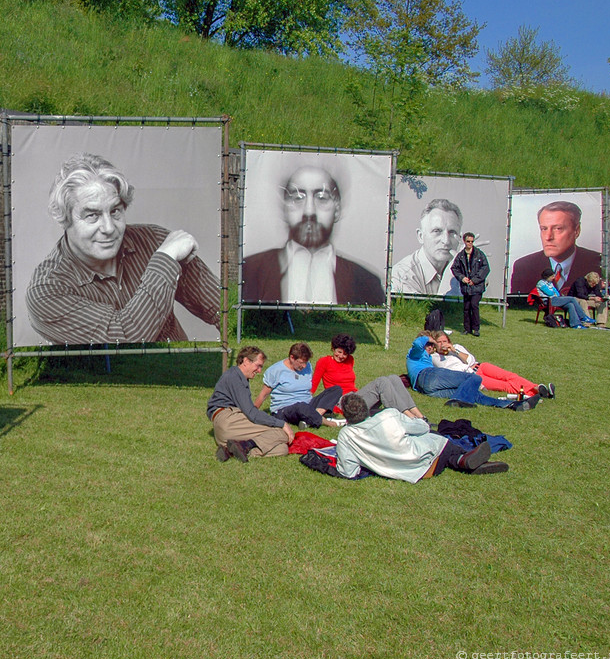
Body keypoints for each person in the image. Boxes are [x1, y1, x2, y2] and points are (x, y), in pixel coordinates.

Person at [25, 153, 221, 344]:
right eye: (92, 215)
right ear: (64, 220)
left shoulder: (155, 241)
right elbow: (126, 339)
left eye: (115, 211)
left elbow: (223, 308)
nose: (109, 228)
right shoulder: (46, 291)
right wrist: (165, 260)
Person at [241, 165, 385, 305]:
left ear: (337, 209)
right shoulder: (251, 271)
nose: (309, 211)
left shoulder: (366, 282)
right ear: (284, 208)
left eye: (321, 198)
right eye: (298, 197)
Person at [334, 393, 508, 482]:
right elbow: (421, 428)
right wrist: (422, 423)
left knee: (434, 442)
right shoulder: (389, 416)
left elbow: (348, 472)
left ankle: (467, 462)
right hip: (425, 459)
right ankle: (462, 459)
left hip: (399, 471)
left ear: (346, 414)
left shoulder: (346, 436)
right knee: (437, 438)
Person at [206, 346, 295, 463]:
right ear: (246, 361)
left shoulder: (237, 377)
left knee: (282, 449)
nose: (259, 371)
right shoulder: (234, 377)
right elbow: (252, 413)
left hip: (225, 432)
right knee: (281, 433)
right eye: (258, 366)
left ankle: (232, 450)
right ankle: (246, 444)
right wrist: (282, 424)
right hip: (228, 420)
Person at [310, 333, 427, 420]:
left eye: (345, 354)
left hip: (355, 396)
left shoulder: (350, 360)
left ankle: (419, 415)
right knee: (382, 382)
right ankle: (409, 417)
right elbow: (314, 383)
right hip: (342, 402)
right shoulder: (324, 361)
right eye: (339, 352)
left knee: (394, 378)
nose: (341, 356)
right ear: (333, 348)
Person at [406, 335, 535, 411]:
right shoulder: (416, 354)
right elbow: (417, 344)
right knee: (475, 379)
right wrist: (429, 338)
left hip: (427, 389)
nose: (430, 347)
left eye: (431, 345)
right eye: (429, 345)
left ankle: (509, 405)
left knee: (474, 393)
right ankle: (459, 399)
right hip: (427, 376)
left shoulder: (428, 356)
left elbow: (470, 359)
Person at [427, 330, 553, 399]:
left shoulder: (457, 347)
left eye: (445, 341)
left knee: (510, 376)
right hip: (473, 376)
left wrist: (455, 351)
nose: (443, 344)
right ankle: (535, 392)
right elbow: (454, 369)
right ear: (435, 344)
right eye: (439, 342)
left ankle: (536, 388)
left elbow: (470, 359)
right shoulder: (436, 358)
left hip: (480, 366)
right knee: (504, 386)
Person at [509, 201, 601, 294]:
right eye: (544, 229)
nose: (548, 237)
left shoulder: (597, 262)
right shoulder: (523, 266)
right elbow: (518, 306)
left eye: (558, 229)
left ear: (576, 231)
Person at [256, 343, 345, 428]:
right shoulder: (276, 370)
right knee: (301, 407)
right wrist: (252, 412)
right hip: (285, 409)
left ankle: (310, 418)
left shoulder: (307, 367)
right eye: (301, 362)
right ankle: (329, 423)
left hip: (307, 403)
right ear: (292, 358)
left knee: (336, 389)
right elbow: (263, 394)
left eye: (306, 362)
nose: (304, 365)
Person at [390, 199, 464, 296]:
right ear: (420, 236)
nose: (446, 241)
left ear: (460, 237)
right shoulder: (401, 276)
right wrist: (450, 277)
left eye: (452, 232)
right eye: (437, 231)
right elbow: (431, 312)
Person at [451, 231, 490, 336]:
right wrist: (462, 278)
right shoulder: (461, 255)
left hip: (477, 286)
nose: (470, 243)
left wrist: (475, 280)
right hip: (466, 287)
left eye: (472, 241)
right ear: (464, 241)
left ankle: (476, 329)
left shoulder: (479, 254)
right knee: (466, 308)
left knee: (474, 305)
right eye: (468, 241)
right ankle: (467, 329)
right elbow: (454, 268)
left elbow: (486, 268)